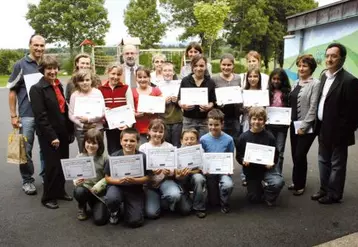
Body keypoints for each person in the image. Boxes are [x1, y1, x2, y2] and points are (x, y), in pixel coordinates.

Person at [312, 43, 358, 204]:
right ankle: (324, 189)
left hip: (339, 133)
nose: (329, 59)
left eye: (334, 56)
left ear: (342, 59)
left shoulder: (350, 81)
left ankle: (334, 194)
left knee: (337, 164)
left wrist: (343, 132)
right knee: (322, 161)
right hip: (323, 128)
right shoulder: (324, 76)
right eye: (327, 55)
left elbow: (354, 114)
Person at [29, 55, 74, 209]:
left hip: (62, 131)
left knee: (62, 164)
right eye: (49, 68)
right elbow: (41, 117)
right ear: (43, 70)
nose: (53, 71)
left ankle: (60, 191)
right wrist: (52, 137)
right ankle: (48, 197)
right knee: (52, 166)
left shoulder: (58, 85)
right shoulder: (37, 89)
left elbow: (63, 109)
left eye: (55, 68)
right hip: (49, 135)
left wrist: (69, 130)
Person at [7, 34, 46, 195]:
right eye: (36, 45)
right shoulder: (21, 64)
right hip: (27, 115)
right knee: (26, 149)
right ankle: (27, 180)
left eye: (42, 46)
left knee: (46, 148)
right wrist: (13, 115)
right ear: (30, 45)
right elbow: (12, 91)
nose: (39, 48)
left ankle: (46, 176)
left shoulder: (46, 63)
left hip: (44, 114)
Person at [141, 119, 191, 219]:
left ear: (164, 133)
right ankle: (161, 200)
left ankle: (168, 199)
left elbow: (174, 169)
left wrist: (169, 172)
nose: (157, 134)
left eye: (161, 131)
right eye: (154, 131)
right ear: (149, 131)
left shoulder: (169, 146)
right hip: (150, 184)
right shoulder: (143, 148)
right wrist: (150, 171)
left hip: (165, 181)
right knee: (152, 214)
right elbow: (141, 169)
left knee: (175, 196)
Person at [236, 107, 284, 206]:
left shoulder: (270, 137)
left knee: (278, 182)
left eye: (260, 119)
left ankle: (269, 195)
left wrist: (272, 162)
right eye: (254, 119)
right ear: (250, 120)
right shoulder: (243, 137)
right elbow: (239, 155)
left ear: (264, 121)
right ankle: (257, 188)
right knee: (254, 199)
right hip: (251, 171)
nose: (257, 122)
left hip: (267, 169)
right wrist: (242, 160)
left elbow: (276, 153)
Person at [104, 128, 152, 228]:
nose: (128, 143)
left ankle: (129, 207)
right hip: (117, 186)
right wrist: (118, 181)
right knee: (112, 198)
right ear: (121, 141)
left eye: (132, 141)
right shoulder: (114, 157)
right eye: (125, 140)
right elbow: (107, 178)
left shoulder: (143, 157)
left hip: (134, 189)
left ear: (137, 142)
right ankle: (114, 211)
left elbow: (148, 177)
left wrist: (135, 180)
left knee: (135, 221)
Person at [288, 54, 320, 196]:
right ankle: (296, 181)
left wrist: (304, 126)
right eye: (299, 65)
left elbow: (313, 107)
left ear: (311, 68)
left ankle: (300, 185)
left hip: (306, 126)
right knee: (295, 154)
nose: (301, 68)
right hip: (293, 124)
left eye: (305, 65)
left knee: (301, 154)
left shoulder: (315, 83)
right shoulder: (296, 82)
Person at [200, 109, 234, 213]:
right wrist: (203, 169)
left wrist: (229, 169)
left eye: (216, 125)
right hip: (210, 171)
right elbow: (201, 157)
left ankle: (225, 202)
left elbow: (230, 156)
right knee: (213, 202)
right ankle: (214, 196)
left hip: (223, 170)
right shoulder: (203, 139)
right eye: (210, 124)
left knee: (228, 184)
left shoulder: (229, 139)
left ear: (222, 124)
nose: (213, 127)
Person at [73, 128, 109, 225]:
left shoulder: (105, 158)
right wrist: (76, 181)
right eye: (88, 142)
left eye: (94, 143)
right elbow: (75, 175)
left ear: (100, 144)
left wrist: (98, 187)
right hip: (85, 189)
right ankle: (82, 205)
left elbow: (108, 177)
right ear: (84, 142)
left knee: (100, 220)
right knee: (79, 191)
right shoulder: (80, 157)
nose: (90, 145)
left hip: (99, 192)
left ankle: (94, 203)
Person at [99, 63, 134, 155]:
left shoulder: (126, 88)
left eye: (118, 74)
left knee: (126, 151)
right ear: (108, 73)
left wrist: (128, 125)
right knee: (113, 152)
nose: (115, 77)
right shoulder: (101, 89)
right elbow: (100, 108)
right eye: (113, 74)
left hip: (124, 127)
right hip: (110, 128)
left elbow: (131, 108)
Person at [178, 55, 216, 137]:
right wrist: (182, 105)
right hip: (188, 119)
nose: (198, 68)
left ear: (206, 66)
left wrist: (209, 106)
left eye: (201, 66)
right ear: (192, 66)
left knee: (204, 144)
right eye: (195, 65)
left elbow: (213, 101)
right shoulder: (185, 80)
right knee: (188, 144)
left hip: (205, 120)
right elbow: (179, 98)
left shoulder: (210, 82)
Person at [68, 69, 105, 153]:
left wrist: (89, 120)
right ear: (77, 82)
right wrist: (82, 124)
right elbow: (71, 114)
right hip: (81, 131)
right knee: (84, 153)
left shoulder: (97, 93)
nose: (84, 82)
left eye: (87, 80)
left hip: (97, 129)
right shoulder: (74, 95)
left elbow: (103, 111)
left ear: (91, 80)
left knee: (98, 153)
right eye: (81, 80)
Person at [175, 128, 207, 218]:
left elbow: (201, 169)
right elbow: (176, 175)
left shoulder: (200, 151)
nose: (189, 141)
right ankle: (186, 199)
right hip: (182, 180)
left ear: (197, 140)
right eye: (186, 139)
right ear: (181, 140)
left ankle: (199, 207)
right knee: (185, 210)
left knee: (199, 178)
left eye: (192, 139)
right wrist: (181, 174)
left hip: (195, 177)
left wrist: (190, 171)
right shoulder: (176, 153)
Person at [212, 54, 242, 142]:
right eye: (224, 65)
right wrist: (216, 102)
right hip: (220, 117)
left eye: (229, 65)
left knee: (234, 141)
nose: (226, 67)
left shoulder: (238, 78)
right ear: (220, 65)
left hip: (235, 117)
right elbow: (212, 96)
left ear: (233, 66)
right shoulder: (214, 78)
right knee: (220, 141)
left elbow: (240, 95)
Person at [266, 68, 291, 174]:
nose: (276, 81)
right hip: (269, 126)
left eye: (279, 79)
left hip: (282, 128)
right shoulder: (267, 92)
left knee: (280, 151)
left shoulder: (288, 93)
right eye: (274, 78)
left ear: (283, 80)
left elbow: (290, 109)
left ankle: (277, 174)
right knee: (268, 150)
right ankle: (267, 174)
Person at [132, 67, 162, 144]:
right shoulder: (132, 92)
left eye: (145, 77)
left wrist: (153, 110)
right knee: (142, 150)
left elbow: (161, 105)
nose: (142, 79)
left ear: (149, 78)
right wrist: (134, 114)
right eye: (140, 77)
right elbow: (130, 109)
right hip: (139, 127)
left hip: (154, 128)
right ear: (136, 78)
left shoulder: (156, 90)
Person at [159, 62, 183, 147]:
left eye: (170, 70)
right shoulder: (157, 86)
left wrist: (177, 100)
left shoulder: (179, 85)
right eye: (165, 70)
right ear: (161, 72)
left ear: (173, 72)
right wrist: (163, 101)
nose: (167, 72)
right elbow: (155, 104)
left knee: (176, 144)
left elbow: (184, 100)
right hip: (163, 119)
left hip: (177, 119)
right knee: (166, 145)